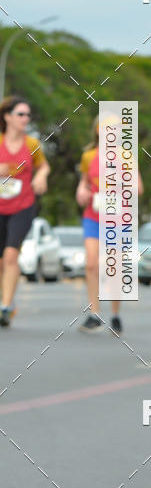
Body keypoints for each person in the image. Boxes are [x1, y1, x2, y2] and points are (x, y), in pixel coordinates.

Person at [76, 116, 143, 335]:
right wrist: (82, 190)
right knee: (91, 264)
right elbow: (84, 182)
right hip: (93, 215)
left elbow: (138, 188)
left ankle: (115, 314)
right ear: (97, 130)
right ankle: (94, 314)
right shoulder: (89, 156)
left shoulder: (126, 156)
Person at [0, 96, 50, 326]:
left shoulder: (31, 144)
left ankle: (5, 307)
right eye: (20, 114)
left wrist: (41, 176)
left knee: (11, 255)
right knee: (2, 260)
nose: (25, 118)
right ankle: (6, 299)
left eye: (28, 115)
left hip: (23, 206)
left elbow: (44, 166)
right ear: (7, 116)